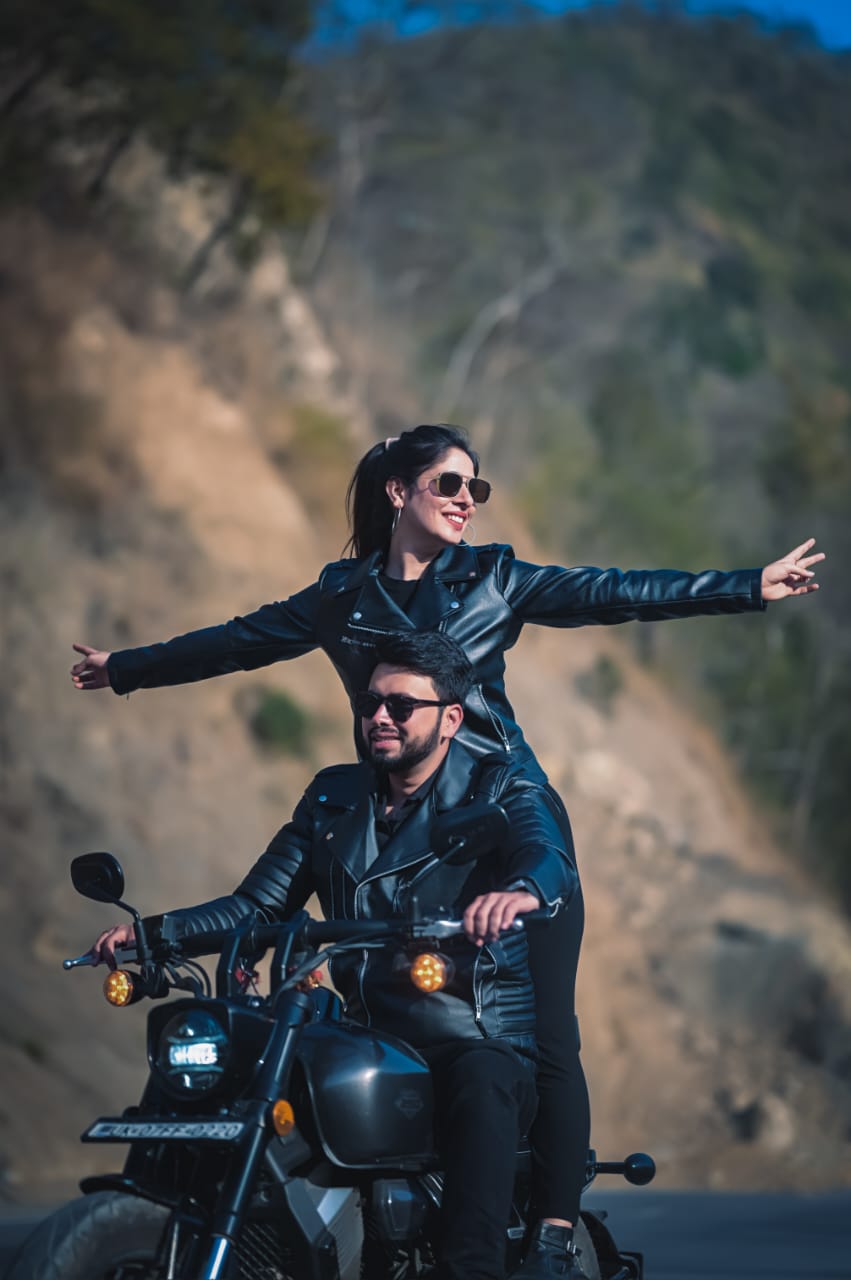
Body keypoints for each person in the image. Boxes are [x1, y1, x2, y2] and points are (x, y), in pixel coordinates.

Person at [72, 422, 824, 1280]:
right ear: (400, 493)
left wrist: (745, 588)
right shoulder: (340, 598)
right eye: (450, 484)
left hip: (501, 826)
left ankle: (544, 1233)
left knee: (537, 1044)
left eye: (477, 488)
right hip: (392, 816)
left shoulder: (495, 578)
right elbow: (239, 641)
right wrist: (125, 668)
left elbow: (611, 590)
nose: (468, 500)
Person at [90, 632, 579, 1280]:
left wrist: (519, 890)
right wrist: (153, 934)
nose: (379, 716)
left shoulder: (500, 786)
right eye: (370, 702)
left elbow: (547, 855)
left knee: (482, 1084)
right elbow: (256, 906)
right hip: (363, 1032)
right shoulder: (332, 797)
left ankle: (472, 1268)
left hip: (469, 1033)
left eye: (401, 706)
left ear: (450, 718)